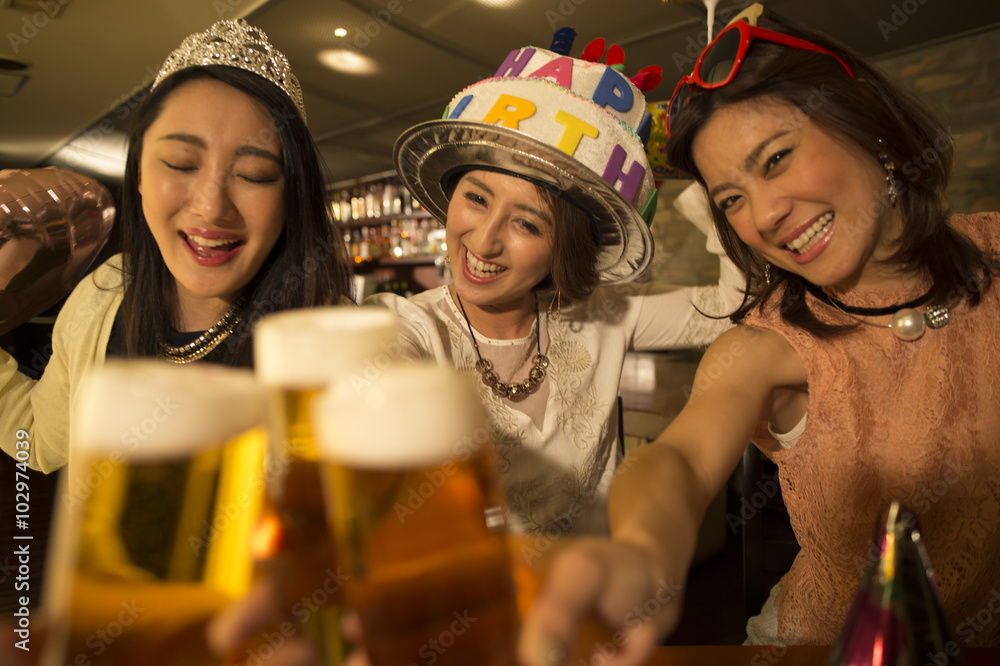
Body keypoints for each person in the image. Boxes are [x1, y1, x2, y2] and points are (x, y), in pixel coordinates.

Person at [517, 5, 1000, 663]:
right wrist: (639, 554)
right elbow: (679, 460)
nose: (765, 216)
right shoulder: (763, 349)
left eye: (776, 158)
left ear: (870, 130)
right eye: (731, 200)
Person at [363, 31, 742, 537]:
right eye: (476, 198)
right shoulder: (410, 326)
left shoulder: (600, 316)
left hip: (603, 604)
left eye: (527, 224)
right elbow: (373, 380)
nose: (485, 240)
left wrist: (711, 177)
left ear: (565, 249)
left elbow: (729, 306)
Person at [0, 19, 353, 472]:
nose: (210, 208)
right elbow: (42, 442)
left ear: (291, 197)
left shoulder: (340, 339)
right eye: (181, 164)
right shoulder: (103, 297)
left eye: (254, 175)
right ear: (141, 176)